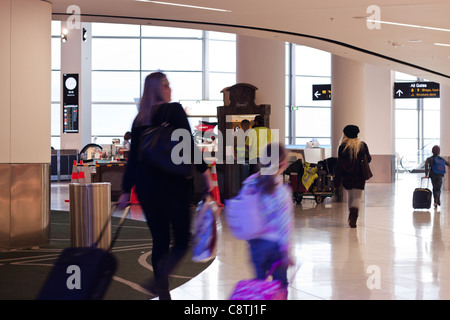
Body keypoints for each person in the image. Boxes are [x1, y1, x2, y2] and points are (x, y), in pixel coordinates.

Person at [117, 72, 213, 300]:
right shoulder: (174, 111)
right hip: (173, 184)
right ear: (160, 89)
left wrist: (124, 190)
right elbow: (187, 142)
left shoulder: (140, 120)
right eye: (167, 85)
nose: (170, 89)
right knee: (181, 240)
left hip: (146, 187)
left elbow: (133, 160)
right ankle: (159, 281)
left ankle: (163, 295)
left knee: (159, 240)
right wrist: (205, 171)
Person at [240, 142, 294, 296]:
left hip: (255, 243)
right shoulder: (281, 191)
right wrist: (286, 251)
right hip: (275, 245)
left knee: (260, 283)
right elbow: (284, 224)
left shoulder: (249, 184)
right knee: (280, 284)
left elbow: (243, 212)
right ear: (283, 164)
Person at [336, 125, 372, 228]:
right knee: (357, 197)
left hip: (346, 176)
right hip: (359, 176)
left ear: (345, 134)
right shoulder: (362, 145)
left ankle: (351, 216)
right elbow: (368, 159)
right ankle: (353, 218)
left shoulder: (343, 146)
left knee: (350, 196)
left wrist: (337, 178)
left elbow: (339, 164)